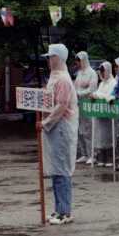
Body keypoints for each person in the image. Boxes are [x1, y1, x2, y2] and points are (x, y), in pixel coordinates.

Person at [35, 44, 78, 225]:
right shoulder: (54, 78)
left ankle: (65, 211)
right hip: (53, 128)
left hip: (61, 127)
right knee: (56, 170)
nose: (48, 60)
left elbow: (61, 106)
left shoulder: (62, 79)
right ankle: (59, 208)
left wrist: (45, 123)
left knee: (62, 170)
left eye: (51, 57)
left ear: (57, 58)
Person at [89, 61, 117, 167]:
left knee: (109, 136)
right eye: (100, 71)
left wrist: (96, 94)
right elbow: (98, 94)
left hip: (109, 115)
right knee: (100, 135)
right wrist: (93, 95)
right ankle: (103, 159)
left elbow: (107, 96)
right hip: (100, 115)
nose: (102, 73)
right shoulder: (101, 83)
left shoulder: (113, 83)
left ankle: (110, 159)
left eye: (103, 71)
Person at [73, 51, 98, 164]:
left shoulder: (91, 73)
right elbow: (75, 87)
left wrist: (79, 94)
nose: (77, 63)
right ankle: (84, 153)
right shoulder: (79, 73)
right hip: (77, 105)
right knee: (79, 131)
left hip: (87, 105)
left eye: (79, 60)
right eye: (76, 61)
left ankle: (92, 154)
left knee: (88, 131)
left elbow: (92, 89)